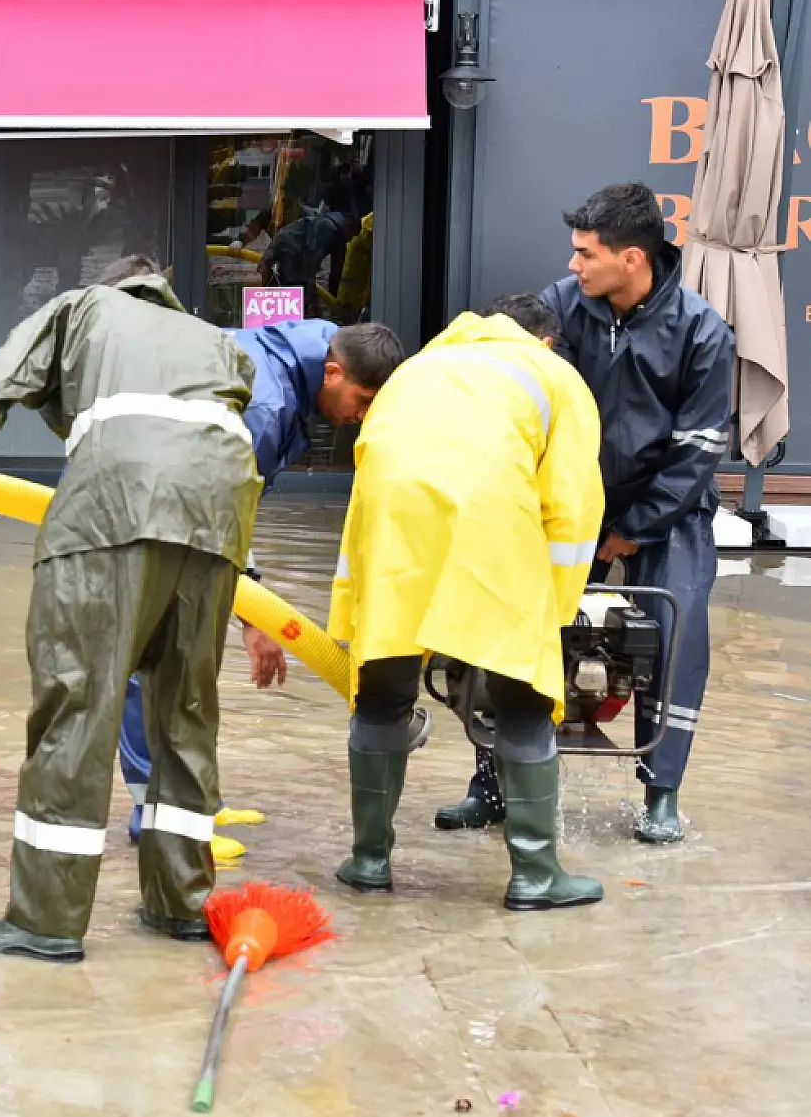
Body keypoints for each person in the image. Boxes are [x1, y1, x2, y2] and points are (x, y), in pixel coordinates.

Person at [0, 255, 262, 963]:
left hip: (111, 512)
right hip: (219, 525)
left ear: (112, 285)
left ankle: (46, 919)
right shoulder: (217, 342)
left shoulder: (81, 308)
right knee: (185, 714)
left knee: (77, 705)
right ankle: (181, 902)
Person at [433, 183, 733, 844]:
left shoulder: (703, 331)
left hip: (667, 508)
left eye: (586, 254)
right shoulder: (560, 307)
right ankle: (491, 783)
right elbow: (523, 402)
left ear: (633, 259)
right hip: (567, 497)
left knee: (677, 631)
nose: (573, 265)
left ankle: (661, 793)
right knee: (508, 622)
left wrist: (632, 531)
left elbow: (699, 450)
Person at [330, 293, 607, 910]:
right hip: (493, 521)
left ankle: (369, 860)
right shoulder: (555, 377)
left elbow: (366, 483)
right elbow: (571, 505)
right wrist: (554, 610)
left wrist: (354, 604)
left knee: (382, 700)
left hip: (394, 532)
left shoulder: (417, 369)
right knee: (523, 706)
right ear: (545, 342)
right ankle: (536, 876)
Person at [119, 319, 408, 844]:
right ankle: (158, 820)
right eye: (363, 400)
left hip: (174, 502)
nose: (362, 417)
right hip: (139, 507)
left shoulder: (302, 359)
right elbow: (223, 509)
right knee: (156, 661)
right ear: (334, 372)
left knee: (191, 659)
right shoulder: (265, 407)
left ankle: (194, 800)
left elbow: (233, 506)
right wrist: (254, 616)